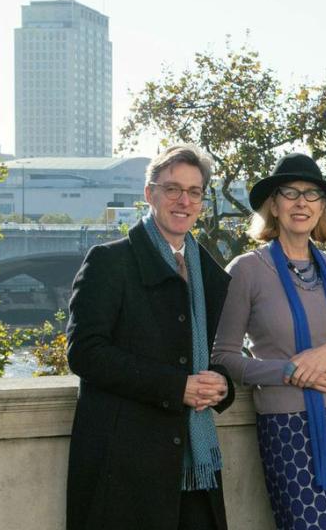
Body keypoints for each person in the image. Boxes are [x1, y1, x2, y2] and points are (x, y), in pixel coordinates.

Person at [212, 153, 326, 530]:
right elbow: (224, 357)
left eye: (312, 194)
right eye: (291, 193)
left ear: (322, 207)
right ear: (274, 204)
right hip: (291, 431)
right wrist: (291, 371)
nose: (302, 202)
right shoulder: (247, 270)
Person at [66, 145, 235, 530]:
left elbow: (219, 353)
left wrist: (222, 384)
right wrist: (178, 387)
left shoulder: (209, 272)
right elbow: (85, 354)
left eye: (194, 192)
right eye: (172, 188)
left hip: (195, 464)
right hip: (125, 462)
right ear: (149, 194)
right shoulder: (109, 262)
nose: (184, 201)